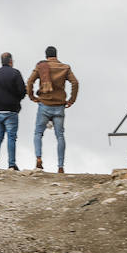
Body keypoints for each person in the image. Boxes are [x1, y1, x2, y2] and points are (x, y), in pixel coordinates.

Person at [26, 45, 79, 173]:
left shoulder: (41, 67)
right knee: (60, 135)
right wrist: (72, 100)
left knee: (38, 133)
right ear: (56, 55)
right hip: (59, 105)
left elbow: (29, 82)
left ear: (46, 56)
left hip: (44, 104)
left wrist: (32, 96)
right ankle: (60, 166)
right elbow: (75, 82)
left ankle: (38, 159)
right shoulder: (65, 67)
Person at [0, 52, 25, 170]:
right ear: (11, 61)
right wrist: (16, 100)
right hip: (11, 110)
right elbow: (22, 91)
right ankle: (11, 164)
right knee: (11, 137)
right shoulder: (15, 73)